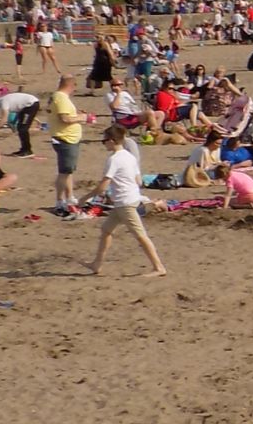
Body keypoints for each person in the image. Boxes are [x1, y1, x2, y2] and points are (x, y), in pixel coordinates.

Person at [83, 126, 168, 277]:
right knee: (106, 230)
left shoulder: (113, 159)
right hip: (126, 200)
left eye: (104, 141)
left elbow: (103, 186)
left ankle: (159, 267)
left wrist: (84, 198)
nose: (104, 144)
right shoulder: (130, 157)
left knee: (141, 236)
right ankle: (97, 264)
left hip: (125, 203)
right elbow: (139, 181)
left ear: (111, 140)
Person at [46, 76, 89, 215]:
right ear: (71, 85)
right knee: (64, 172)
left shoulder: (57, 97)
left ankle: (70, 197)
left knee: (68, 171)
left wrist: (77, 115)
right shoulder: (61, 98)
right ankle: (59, 201)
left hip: (68, 138)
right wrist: (82, 118)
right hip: (65, 139)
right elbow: (64, 118)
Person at [0, 90, 39, 157]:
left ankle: (27, 151)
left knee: (23, 129)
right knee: (20, 127)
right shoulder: (3, 100)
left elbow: (4, 120)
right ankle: (24, 149)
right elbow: (18, 110)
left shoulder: (3, 102)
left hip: (30, 104)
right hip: (27, 106)